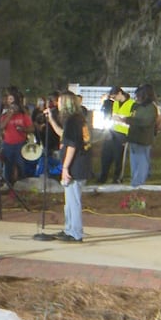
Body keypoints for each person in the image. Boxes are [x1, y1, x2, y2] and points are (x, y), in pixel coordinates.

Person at [45, 92, 91, 242]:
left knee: (73, 201)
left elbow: (71, 145)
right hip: (76, 163)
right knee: (69, 200)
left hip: (76, 164)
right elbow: (62, 135)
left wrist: (65, 168)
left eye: (59, 101)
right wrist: (51, 119)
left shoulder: (73, 121)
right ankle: (69, 228)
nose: (58, 104)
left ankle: (76, 233)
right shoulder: (76, 119)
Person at [98, 87, 133, 184]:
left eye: (114, 97)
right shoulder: (115, 103)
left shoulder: (132, 104)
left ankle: (117, 178)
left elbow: (132, 120)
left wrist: (121, 120)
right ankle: (103, 176)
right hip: (112, 131)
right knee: (106, 155)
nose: (114, 99)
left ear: (120, 93)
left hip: (123, 134)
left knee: (119, 157)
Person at [126, 84, 158, 188]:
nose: (136, 98)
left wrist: (126, 120)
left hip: (143, 139)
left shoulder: (150, 107)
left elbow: (145, 122)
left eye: (138, 96)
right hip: (133, 138)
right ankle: (135, 182)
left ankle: (138, 183)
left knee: (141, 162)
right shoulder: (136, 106)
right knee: (134, 162)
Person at [0, 87, 31, 186]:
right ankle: (8, 183)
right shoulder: (4, 116)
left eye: (12, 100)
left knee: (20, 164)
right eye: (9, 100)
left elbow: (31, 128)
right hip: (8, 143)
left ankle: (21, 183)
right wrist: (9, 115)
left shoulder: (23, 115)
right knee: (8, 165)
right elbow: (1, 127)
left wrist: (23, 129)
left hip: (20, 143)